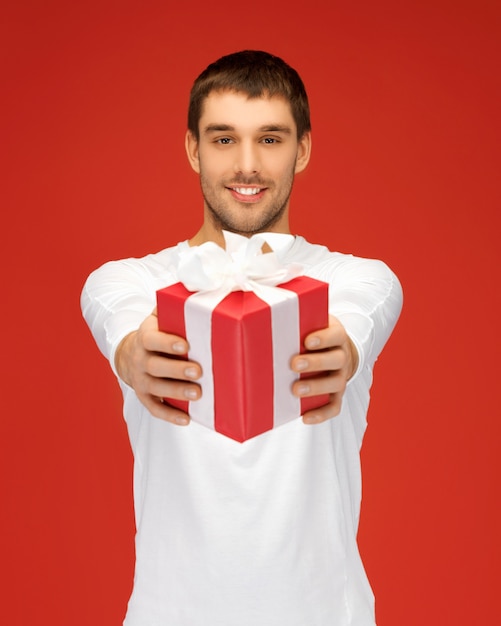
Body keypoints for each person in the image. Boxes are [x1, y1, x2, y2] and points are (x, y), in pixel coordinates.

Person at [81, 50, 403, 626]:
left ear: (302, 150)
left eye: (271, 139)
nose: (248, 165)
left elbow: (358, 322)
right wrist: (133, 356)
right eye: (224, 139)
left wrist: (343, 352)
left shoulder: (356, 280)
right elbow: (118, 322)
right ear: (192, 150)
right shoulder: (131, 282)